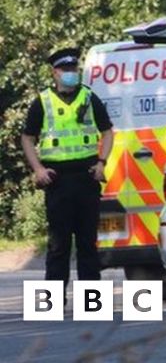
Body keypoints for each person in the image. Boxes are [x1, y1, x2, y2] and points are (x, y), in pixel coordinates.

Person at [20, 47, 113, 295]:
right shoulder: (42, 102)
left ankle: (91, 303)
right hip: (57, 180)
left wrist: (102, 161)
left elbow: (107, 131)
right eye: (66, 69)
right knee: (58, 245)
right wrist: (38, 169)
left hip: (86, 177)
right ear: (54, 73)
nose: (71, 73)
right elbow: (27, 138)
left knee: (87, 244)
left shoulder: (89, 97)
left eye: (74, 69)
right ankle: (53, 301)